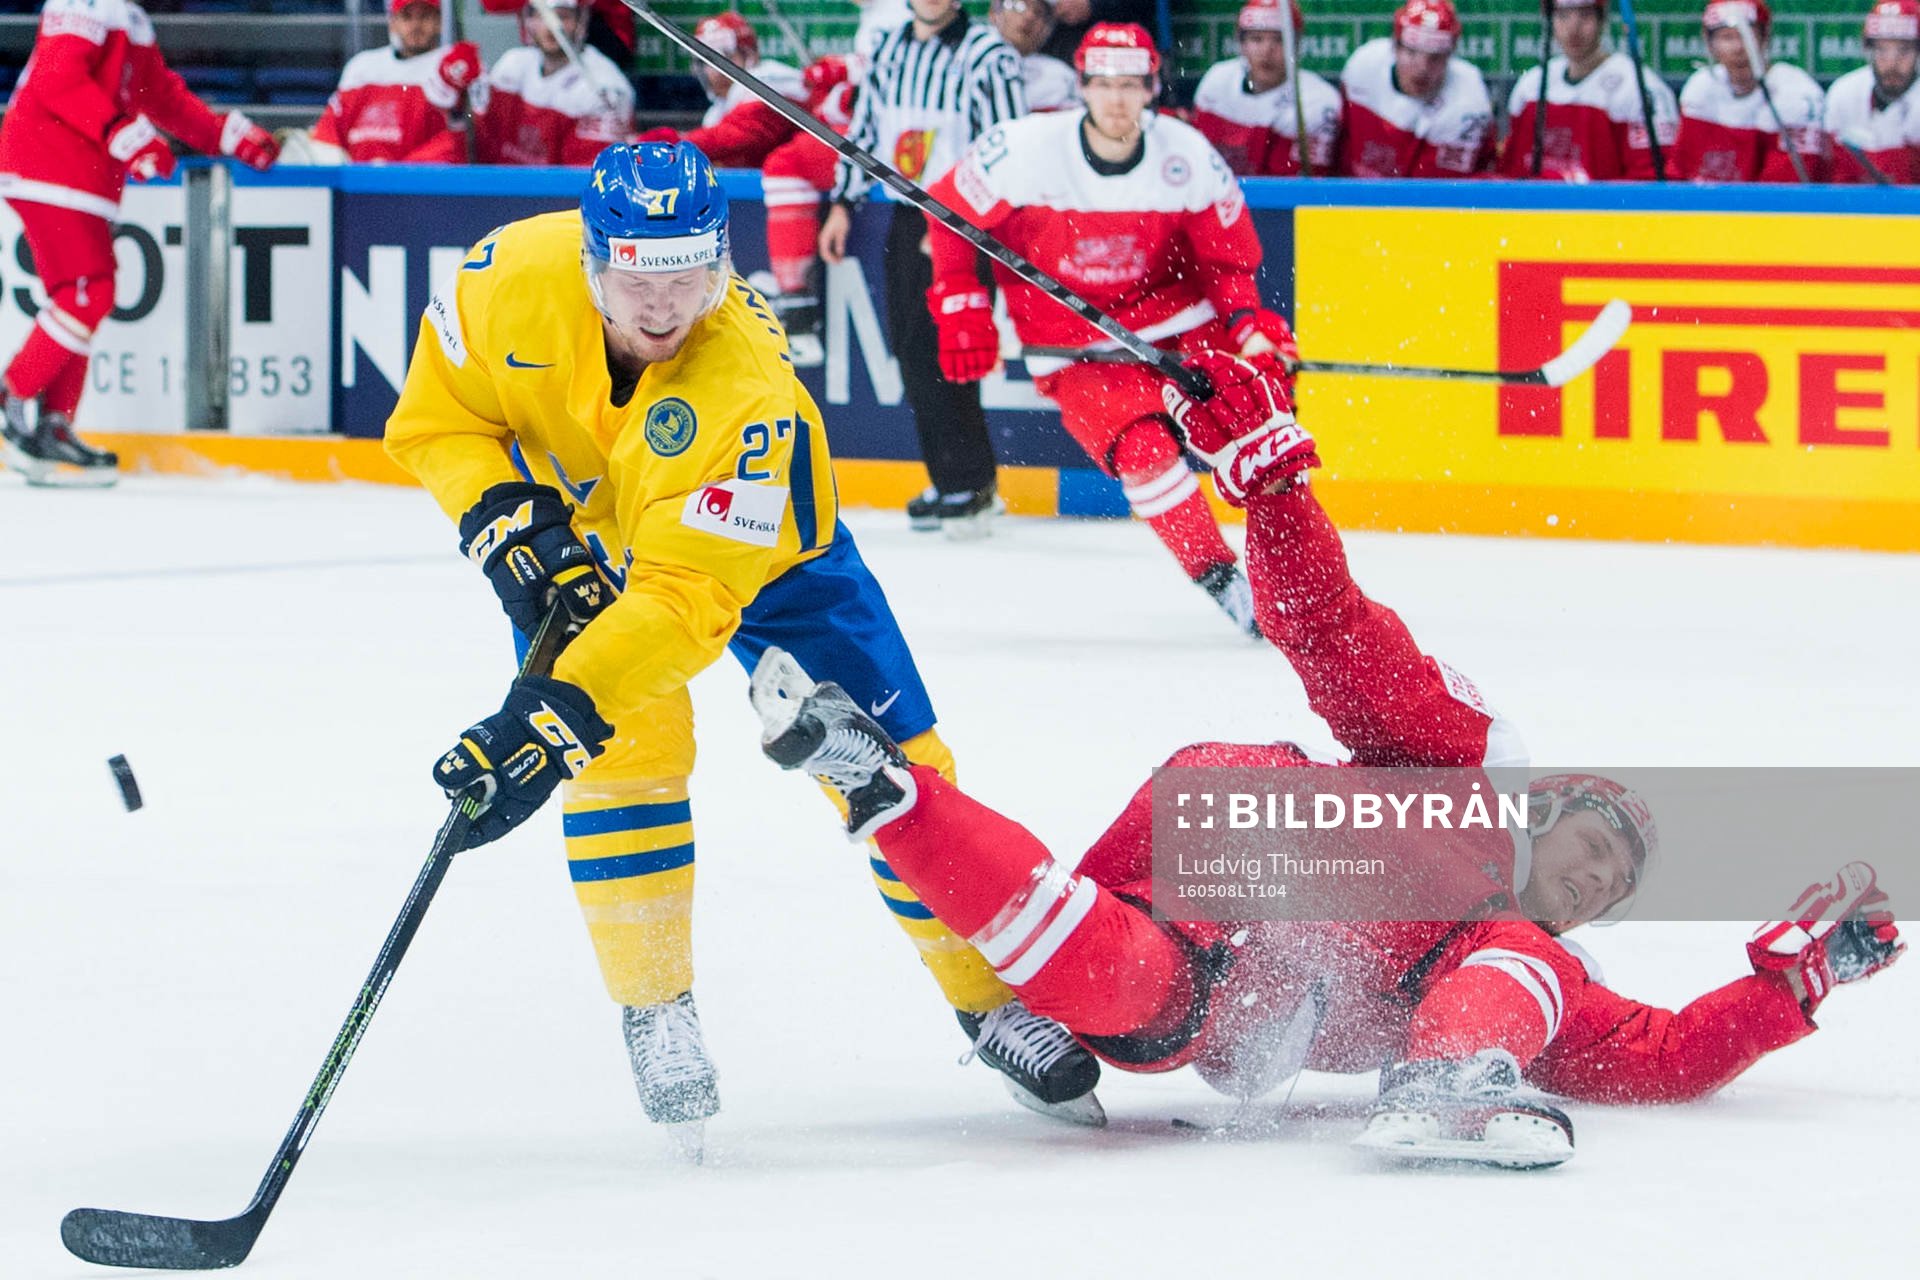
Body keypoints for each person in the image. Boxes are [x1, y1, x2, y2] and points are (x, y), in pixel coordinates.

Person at [748, 348, 1906, 1165]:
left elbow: (1659, 1057)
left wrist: (1787, 986)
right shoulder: (1473, 777)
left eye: (1617, 882)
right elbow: (1343, 644)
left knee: (1137, 1004)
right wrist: (1275, 489)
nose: (1600, 878)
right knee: (1214, 952)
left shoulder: (1524, 964)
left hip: (1212, 979)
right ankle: (1446, 1086)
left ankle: (888, 794)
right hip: (1248, 818)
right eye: (1597, 844)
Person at [384, 141, 1099, 1151]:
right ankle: (655, 1004)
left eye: (686, 271)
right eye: (637, 272)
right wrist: (504, 519)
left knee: (896, 773)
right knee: (622, 762)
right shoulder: (502, 279)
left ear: (721, 261)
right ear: (592, 259)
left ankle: (989, 1003)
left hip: (766, 558)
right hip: (590, 539)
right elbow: (438, 420)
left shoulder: (747, 393)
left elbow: (682, 606)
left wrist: (548, 715)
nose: (663, 302)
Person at [923, 23, 1286, 636]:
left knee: (1262, 423)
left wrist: (1248, 327)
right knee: (1144, 456)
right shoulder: (1023, 148)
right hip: (1075, 346)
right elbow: (948, 210)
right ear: (1082, 87)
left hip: (1177, 327)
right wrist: (960, 299)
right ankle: (1224, 582)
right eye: (1103, 84)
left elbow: (1226, 264)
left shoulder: (1187, 155)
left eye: (1130, 85)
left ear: (1151, 88)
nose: (1117, 99)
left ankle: (1296, 572)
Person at [0, 0, 278, 488]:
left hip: (78, 176)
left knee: (86, 293)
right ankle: (12, 396)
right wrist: (123, 135)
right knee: (87, 291)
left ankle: (52, 424)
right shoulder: (82, 2)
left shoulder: (129, 17)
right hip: (49, 166)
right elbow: (58, 78)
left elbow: (160, 95)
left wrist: (224, 135)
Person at [821, 0, 1026, 536]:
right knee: (912, 347)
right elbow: (863, 131)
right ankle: (948, 476)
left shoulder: (988, 55)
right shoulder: (889, 50)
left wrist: (971, 228)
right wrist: (843, 203)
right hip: (907, 219)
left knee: (955, 347)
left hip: (962, 222)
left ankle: (972, 481)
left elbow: (1008, 148)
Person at [1499, 0, 1679, 181]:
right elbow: (1511, 172)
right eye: (1562, 15)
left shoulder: (1640, 88)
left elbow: (1651, 182)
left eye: (1585, 15)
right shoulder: (1531, 85)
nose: (1573, 28)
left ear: (1603, 18)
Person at [306, 0, 482, 165]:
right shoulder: (361, 67)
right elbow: (329, 132)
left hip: (422, 187)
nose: (416, 25)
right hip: (358, 187)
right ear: (393, 22)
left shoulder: (454, 66)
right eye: (407, 17)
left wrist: (397, 173)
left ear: (439, 21)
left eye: (424, 16)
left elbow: (460, 141)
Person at [1674, 0, 1829, 183]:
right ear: (1709, 42)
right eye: (1727, 37)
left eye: (1747, 36)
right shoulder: (1700, 87)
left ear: (1765, 37)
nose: (1739, 48)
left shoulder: (1798, 94)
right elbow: (1681, 172)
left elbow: (1786, 189)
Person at [1338, 0, 1494, 178]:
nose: (1422, 69)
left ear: (1450, 56)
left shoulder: (1469, 101)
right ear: (1395, 47)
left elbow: (1438, 191)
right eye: (1412, 53)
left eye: (1435, 58)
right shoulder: (1363, 66)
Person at [474, 0, 634, 167]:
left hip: (557, 192)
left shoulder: (605, 86)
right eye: (542, 16)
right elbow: (482, 145)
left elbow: (586, 176)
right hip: (501, 189)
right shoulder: (511, 65)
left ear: (581, 21)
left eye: (563, 17)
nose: (551, 27)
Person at [1192, 0, 1340, 177]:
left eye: (1279, 40)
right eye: (1256, 39)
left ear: (1297, 44)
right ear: (1241, 43)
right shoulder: (1217, 81)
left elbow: (1289, 188)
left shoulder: (1320, 102)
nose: (1267, 50)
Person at [1825, 1, 1920, 184]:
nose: (1892, 64)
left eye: (1904, 50)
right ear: (1868, 50)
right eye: (1882, 50)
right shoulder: (1844, 93)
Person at [990, 0, 1081, 111]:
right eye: (1019, 6)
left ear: (1048, 29)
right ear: (993, 13)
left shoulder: (1062, 77)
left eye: (1039, 13)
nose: (1029, 16)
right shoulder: (970, 60)